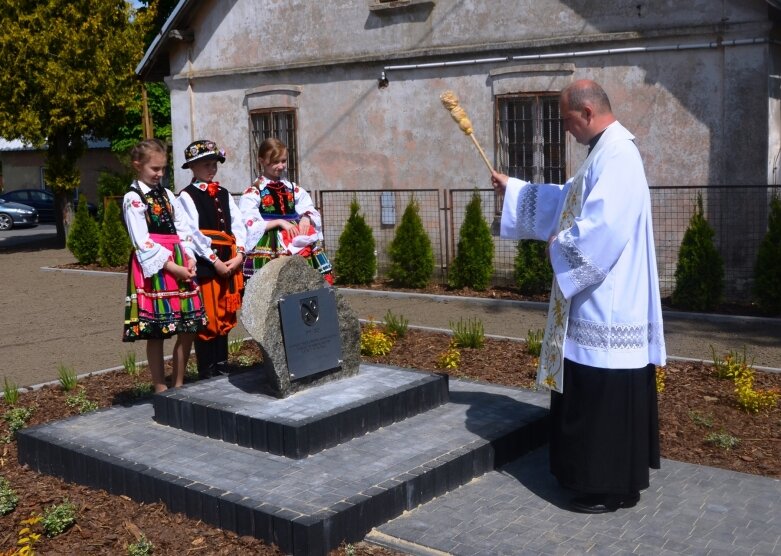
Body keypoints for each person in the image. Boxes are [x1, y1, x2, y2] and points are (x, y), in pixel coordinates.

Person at [491, 80, 667, 514]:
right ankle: (604, 481)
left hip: (608, 304)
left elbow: (602, 227)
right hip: (595, 298)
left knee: (602, 394)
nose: (566, 131)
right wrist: (514, 190)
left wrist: (558, 246)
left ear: (587, 113)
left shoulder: (620, 155)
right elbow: (571, 201)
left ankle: (607, 486)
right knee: (593, 392)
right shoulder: (602, 153)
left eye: (568, 122)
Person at [122, 139, 207, 393]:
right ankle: (160, 387)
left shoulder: (169, 195)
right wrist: (172, 267)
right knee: (157, 331)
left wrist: (190, 256)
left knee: (188, 325)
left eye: (163, 169)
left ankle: (179, 383)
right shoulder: (133, 198)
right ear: (138, 165)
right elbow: (141, 240)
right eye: (155, 169)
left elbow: (183, 229)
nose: (160, 174)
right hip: (157, 267)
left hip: (180, 261)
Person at [177, 140, 247, 379]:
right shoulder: (186, 197)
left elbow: (238, 224)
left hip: (229, 260)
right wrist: (214, 260)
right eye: (206, 164)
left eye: (214, 164)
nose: (212, 169)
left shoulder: (224, 193)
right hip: (207, 265)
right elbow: (191, 233)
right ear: (193, 167)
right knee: (208, 316)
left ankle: (222, 364)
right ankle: (206, 369)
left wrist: (240, 254)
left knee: (225, 312)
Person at [239, 138, 333, 284]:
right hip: (270, 242)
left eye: (283, 161)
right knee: (274, 283)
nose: (281, 166)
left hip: (296, 236)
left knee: (304, 280)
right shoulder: (254, 192)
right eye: (275, 162)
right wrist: (279, 222)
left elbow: (308, 206)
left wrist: (306, 218)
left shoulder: (292, 188)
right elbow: (249, 221)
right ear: (262, 161)